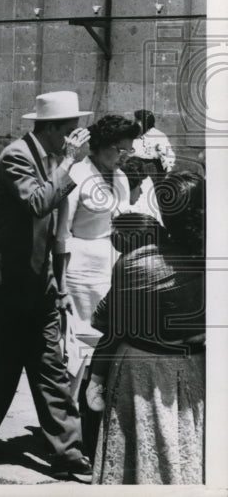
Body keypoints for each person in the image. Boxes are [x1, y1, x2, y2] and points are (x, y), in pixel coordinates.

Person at [0, 91, 94, 483]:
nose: (73, 139)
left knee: (51, 370)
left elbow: (54, 226)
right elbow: (39, 203)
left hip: (38, 284)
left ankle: (69, 455)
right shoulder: (17, 156)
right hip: (7, 284)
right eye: (69, 131)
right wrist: (72, 162)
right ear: (52, 128)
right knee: (0, 370)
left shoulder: (52, 158)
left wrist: (55, 281)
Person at [91, 173, 205, 484]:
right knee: (190, 453)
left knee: (139, 464)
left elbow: (104, 321)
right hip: (199, 371)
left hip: (141, 377)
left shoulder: (136, 264)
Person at [56, 115, 139, 343]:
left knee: (108, 338)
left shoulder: (121, 177)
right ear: (102, 144)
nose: (124, 157)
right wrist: (61, 287)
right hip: (80, 276)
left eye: (129, 151)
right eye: (120, 150)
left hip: (113, 271)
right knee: (78, 341)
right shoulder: (77, 175)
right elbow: (62, 234)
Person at [131, 110, 175, 177]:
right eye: (136, 120)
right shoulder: (132, 135)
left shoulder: (158, 136)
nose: (135, 123)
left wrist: (168, 170)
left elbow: (167, 154)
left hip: (152, 169)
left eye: (138, 121)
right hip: (134, 168)